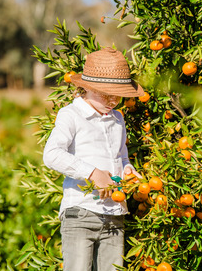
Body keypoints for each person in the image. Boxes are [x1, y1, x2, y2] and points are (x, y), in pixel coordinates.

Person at [43, 47, 144, 271]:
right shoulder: (71, 115)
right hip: (81, 212)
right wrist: (92, 172)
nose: (113, 100)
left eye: (117, 95)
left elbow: (122, 156)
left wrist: (127, 170)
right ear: (86, 88)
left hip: (115, 215)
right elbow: (51, 155)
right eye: (106, 93)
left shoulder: (118, 118)